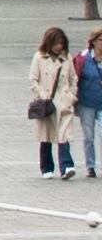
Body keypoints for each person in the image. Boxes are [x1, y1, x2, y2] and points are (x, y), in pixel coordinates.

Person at [40, 27, 83, 181]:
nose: (59, 46)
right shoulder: (39, 58)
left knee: (63, 135)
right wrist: (42, 95)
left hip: (64, 102)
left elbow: (73, 78)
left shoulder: (66, 58)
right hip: (47, 102)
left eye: (62, 43)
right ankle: (46, 167)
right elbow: (33, 80)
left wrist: (71, 96)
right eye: (57, 43)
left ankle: (67, 166)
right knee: (47, 136)